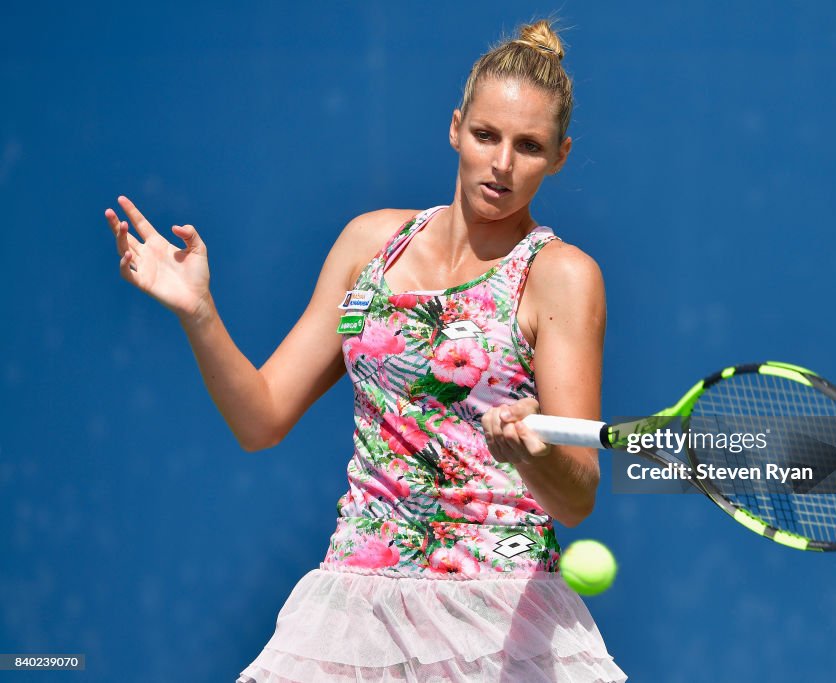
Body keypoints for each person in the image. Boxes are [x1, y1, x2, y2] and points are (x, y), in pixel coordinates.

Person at [104, 18, 626, 683]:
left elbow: (577, 494)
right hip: (352, 606)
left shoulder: (563, 276)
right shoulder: (369, 246)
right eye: (486, 135)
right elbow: (259, 418)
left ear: (560, 155)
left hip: (502, 619)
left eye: (529, 146)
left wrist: (536, 453)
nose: (501, 164)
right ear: (455, 127)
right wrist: (199, 312)